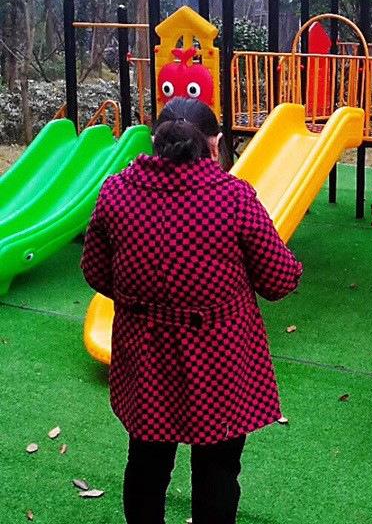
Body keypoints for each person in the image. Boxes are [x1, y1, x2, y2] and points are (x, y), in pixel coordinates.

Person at [81, 97, 303, 524]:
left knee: (146, 463)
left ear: (154, 142)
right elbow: (279, 280)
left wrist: (143, 305)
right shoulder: (233, 199)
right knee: (217, 468)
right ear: (214, 145)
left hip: (145, 354)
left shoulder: (117, 193)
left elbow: (95, 270)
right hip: (219, 359)